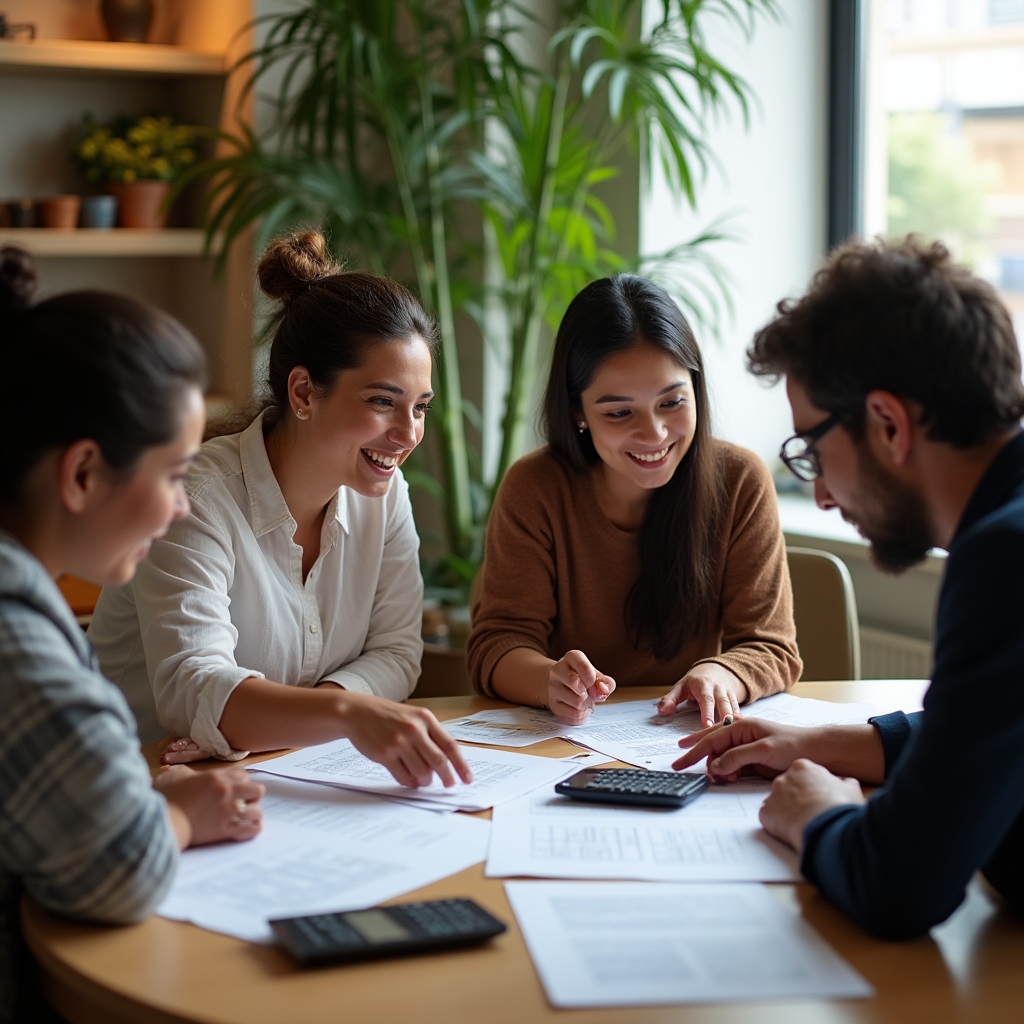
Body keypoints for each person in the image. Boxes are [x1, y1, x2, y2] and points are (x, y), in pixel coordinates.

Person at [674, 236, 1024, 938]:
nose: (823, 495)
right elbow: (992, 729)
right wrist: (826, 742)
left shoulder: (1005, 560)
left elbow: (898, 884)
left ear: (889, 424)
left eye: (813, 449)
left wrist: (817, 813)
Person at [89, 231, 471, 790]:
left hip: (260, 778)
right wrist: (342, 715)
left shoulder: (387, 495)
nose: (408, 434)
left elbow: (397, 652)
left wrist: (288, 720)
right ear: (303, 393)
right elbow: (195, 691)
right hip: (124, 786)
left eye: (420, 408)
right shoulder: (195, 498)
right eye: (382, 401)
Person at [0, 246, 265, 1023]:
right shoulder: (17, 642)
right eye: (174, 474)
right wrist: (184, 817)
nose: (182, 506)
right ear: (83, 473)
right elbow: (120, 866)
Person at [467, 274, 801, 728]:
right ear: (578, 413)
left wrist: (720, 674)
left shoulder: (740, 480)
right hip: (564, 742)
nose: (654, 434)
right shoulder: (535, 487)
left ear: (696, 390)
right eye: (620, 412)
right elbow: (497, 644)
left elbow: (771, 646)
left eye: (672, 402)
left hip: (682, 737)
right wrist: (549, 681)